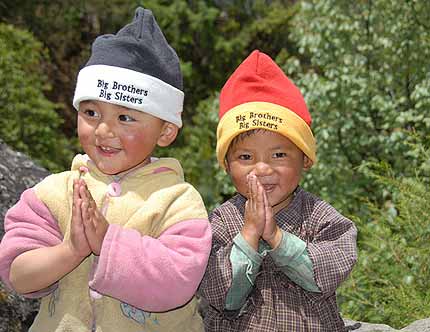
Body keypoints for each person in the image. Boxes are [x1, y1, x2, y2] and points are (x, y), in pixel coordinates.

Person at [0, 7, 211, 332]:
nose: (103, 131)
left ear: (166, 131)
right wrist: (71, 250)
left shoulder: (178, 202)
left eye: (125, 117)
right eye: (91, 112)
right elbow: (18, 274)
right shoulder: (53, 193)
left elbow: (179, 281)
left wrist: (107, 241)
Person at [198, 50, 357, 331]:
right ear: (226, 165)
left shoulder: (321, 217)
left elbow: (326, 276)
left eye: (279, 155)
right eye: (245, 158)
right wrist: (248, 236)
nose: (262, 169)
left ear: (305, 159)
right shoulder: (220, 222)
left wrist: (277, 238)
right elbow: (221, 297)